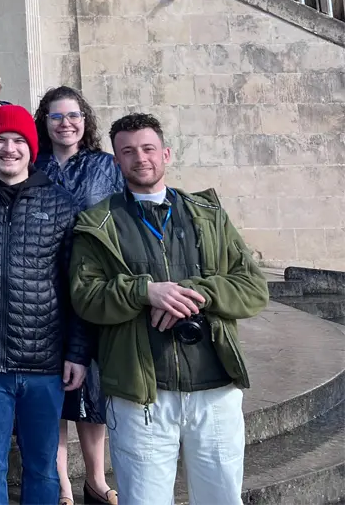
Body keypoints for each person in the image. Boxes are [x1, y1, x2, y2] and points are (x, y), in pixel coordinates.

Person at [70, 113, 269, 505]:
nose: (139, 158)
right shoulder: (98, 223)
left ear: (166, 153)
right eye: (127, 151)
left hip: (214, 387)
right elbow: (86, 297)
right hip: (142, 393)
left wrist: (193, 292)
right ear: (116, 161)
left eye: (147, 149)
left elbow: (252, 288)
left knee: (222, 499)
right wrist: (146, 292)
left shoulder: (209, 216)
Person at [0, 105, 90, 505]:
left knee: (42, 468)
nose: (10, 149)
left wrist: (76, 351)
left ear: (31, 147)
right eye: (1, 140)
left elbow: (75, 285)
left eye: (19, 141)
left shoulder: (61, 204)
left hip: (44, 362)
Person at [33, 86, 123, 505]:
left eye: (72, 115)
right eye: (56, 116)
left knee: (93, 388)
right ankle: (62, 483)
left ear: (84, 120)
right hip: (43, 286)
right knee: (54, 388)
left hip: (94, 285)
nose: (65, 123)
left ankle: (95, 477)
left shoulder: (107, 167)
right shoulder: (33, 164)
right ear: (44, 121)